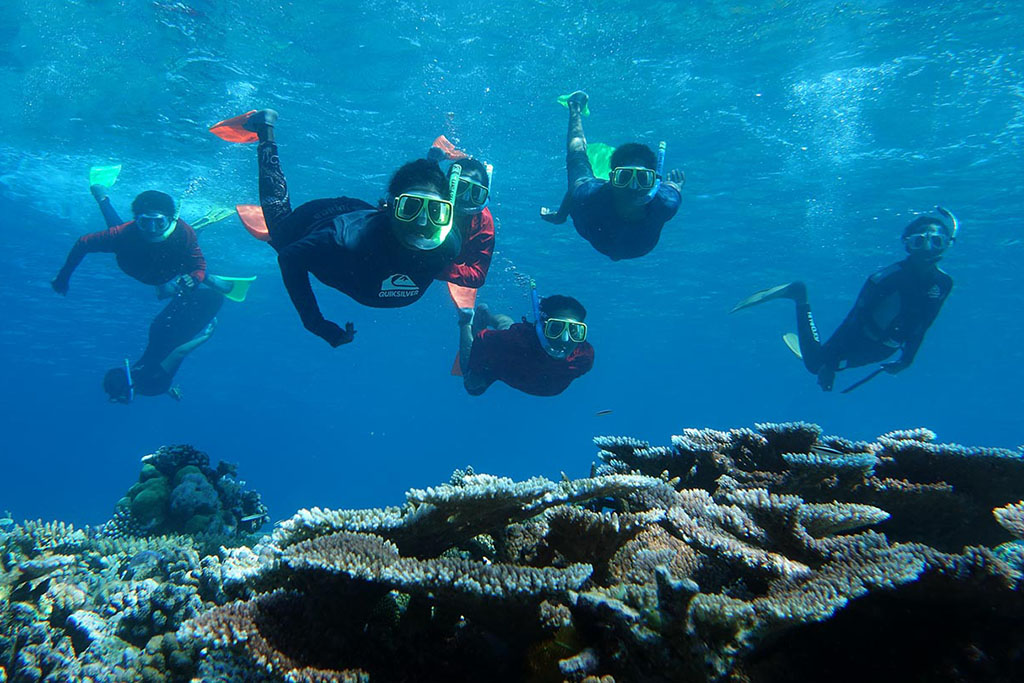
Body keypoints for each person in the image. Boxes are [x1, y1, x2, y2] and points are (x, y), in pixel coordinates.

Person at [225, 109, 466, 347]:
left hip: (367, 215)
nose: (423, 222)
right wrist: (314, 323)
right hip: (319, 217)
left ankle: (431, 161)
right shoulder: (341, 240)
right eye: (410, 207)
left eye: (435, 210)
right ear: (392, 207)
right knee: (280, 235)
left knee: (420, 190)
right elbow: (289, 257)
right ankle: (265, 130)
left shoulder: (449, 244)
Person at [731, 210, 957, 392]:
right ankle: (799, 295)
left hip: (884, 350)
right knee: (815, 365)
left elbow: (924, 324)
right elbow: (854, 319)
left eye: (936, 241)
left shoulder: (944, 283)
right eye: (920, 242)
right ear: (907, 245)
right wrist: (829, 362)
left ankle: (824, 357)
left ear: (947, 244)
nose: (927, 248)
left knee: (825, 367)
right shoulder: (885, 279)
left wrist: (907, 358)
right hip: (859, 340)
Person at [540, 91, 685, 261]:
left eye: (643, 179)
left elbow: (672, 190)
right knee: (576, 156)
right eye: (624, 177)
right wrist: (560, 216)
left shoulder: (667, 203)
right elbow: (574, 186)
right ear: (612, 180)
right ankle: (574, 106)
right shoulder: (589, 194)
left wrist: (675, 187)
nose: (633, 187)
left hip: (609, 240)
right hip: (601, 229)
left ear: (653, 183)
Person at [52, 189, 206, 298]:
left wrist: (194, 278)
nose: (151, 230)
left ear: (171, 219)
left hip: (160, 266)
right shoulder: (121, 234)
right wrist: (63, 277)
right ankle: (102, 197)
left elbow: (198, 267)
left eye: (159, 222)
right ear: (136, 219)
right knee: (118, 232)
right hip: (141, 264)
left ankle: (103, 199)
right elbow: (82, 243)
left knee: (186, 258)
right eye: (145, 222)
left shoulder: (184, 233)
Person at [457, 287, 594, 396]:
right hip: (500, 364)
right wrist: (475, 369)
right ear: (541, 327)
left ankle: (487, 316)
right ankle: (466, 320)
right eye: (556, 328)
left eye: (575, 330)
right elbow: (481, 339)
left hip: (513, 366)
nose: (565, 339)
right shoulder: (516, 340)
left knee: (506, 327)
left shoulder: (584, 357)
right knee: (472, 386)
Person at [103, 287, 223, 403]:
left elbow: (178, 353)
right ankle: (184, 284)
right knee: (189, 296)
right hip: (160, 328)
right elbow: (156, 375)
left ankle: (194, 281)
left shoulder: (147, 384)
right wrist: (168, 391)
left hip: (174, 333)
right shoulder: (142, 383)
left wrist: (205, 337)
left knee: (215, 298)